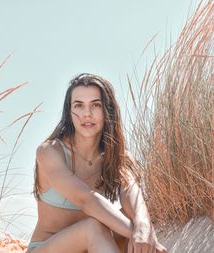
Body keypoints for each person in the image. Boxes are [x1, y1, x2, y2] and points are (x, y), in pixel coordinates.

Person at [26, 73, 167, 253]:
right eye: (79, 105)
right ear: (69, 113)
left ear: (107, 110)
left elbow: (134, 197)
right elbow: (86, 199)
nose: (87, 114)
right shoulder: (50, 152)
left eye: (95, 105)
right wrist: (143, 237)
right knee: (94, 227)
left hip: (98, 248)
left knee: (128, 218)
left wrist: (144, 227)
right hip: (47, 249)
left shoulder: (119, 158)